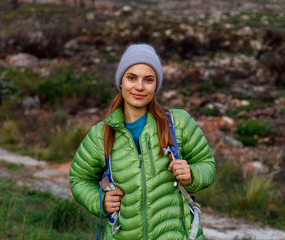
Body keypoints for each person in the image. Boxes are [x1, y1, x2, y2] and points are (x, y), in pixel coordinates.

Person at [69, 43, 216, 240]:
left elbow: (207, 165)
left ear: (156, 85)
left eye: (148, 79)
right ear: (121, 81)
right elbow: (79, 179)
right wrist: (101, 201)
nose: (139, 87)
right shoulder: (101, 134)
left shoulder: (178, 123)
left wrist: (192, 176)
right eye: (132, 78)